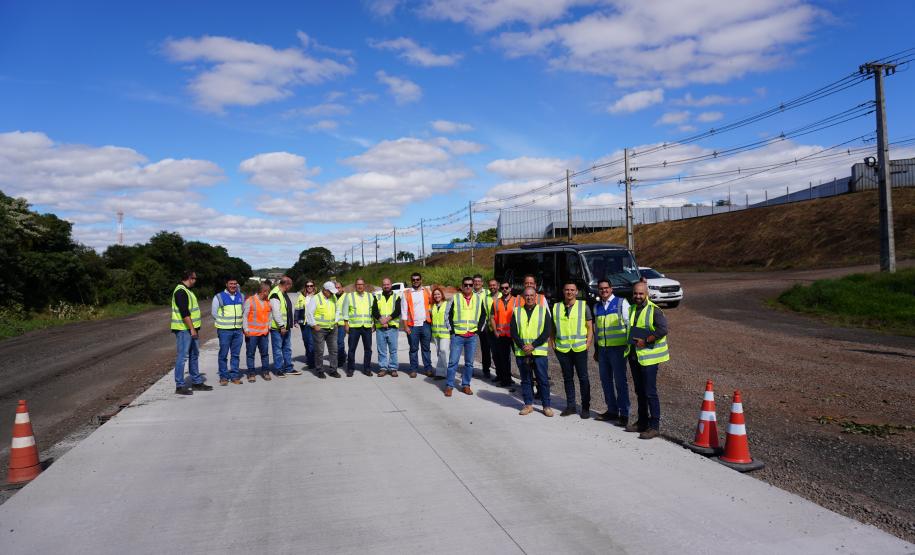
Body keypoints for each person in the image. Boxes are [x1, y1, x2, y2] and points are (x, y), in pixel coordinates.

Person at [624, 281, 670, 440]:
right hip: (635, 356)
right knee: (639, 391)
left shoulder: (654, 310)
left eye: (641, 294)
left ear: (647, 294)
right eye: (635, 293)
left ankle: (654, 426)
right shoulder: (631, 309)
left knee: (650, 392)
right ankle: (642, 422)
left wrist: (647, 340)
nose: (637, 296)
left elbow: (663, 329)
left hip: (649, 358)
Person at [551, 282, 593, 418]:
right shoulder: (556, 307)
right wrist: (552, 343)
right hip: (562, 349)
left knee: (583, 378)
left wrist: (588, 344)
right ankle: (571, 406)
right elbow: (553, 327)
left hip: (579, 348)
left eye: (572, 290)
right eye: (567, 289)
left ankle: (585, 407)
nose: (569, 292)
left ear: (576, 292)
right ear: (563, 291)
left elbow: (590, 328)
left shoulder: (583, 306)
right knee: (567, 378)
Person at [593, 279, 631, 426]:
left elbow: (628, 325)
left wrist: (629, 347)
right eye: (601, 289)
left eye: (606, 288)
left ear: (611, 288)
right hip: (603, 350)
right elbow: (597, 332)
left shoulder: (621, 303)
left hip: (618, 350)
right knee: (605, 381)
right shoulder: (597, 307)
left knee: (620, 382)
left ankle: (624, 414)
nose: (604, 291)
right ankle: (612, 411)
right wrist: (596, 349)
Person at [511, 287, 553, 416]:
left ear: (536, 297)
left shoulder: (543, 310)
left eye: (531, 295)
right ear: (523, 297)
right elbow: (513, 331)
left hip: (539, 352)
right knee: (526, 380)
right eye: (527, 295)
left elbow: (547, 331)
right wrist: (523, 346)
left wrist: (533, 345)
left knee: (543, 379)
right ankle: (528, 405)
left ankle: (546, 406)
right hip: (522, 352)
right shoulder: (517, 311)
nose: (529, 298)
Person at [171, 270, 212, 395]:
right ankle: (180, 385)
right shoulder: (181, 291)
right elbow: (185, 313)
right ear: (190, 278)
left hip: (191, 329)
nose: (196, 280)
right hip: (184, 330)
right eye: (195, 278)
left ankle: (196, 382)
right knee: (182, 357)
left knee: (194, 355)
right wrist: (192, 329)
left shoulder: (188, 291)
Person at [443, 276, 487, 397]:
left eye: (470, 285)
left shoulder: (478, 299)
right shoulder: (455, 298)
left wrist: (478, 330)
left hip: (471, 337)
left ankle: (466, 385)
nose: (468, 287)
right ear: (462, 286)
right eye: (466, 285)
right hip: (458, 336)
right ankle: (449, 386)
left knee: (469, 363)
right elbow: (447, 315)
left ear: (473, 286)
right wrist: (452, 331)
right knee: (453, 362)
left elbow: (484, 315)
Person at [212, 277, 245, 386]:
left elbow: (243, 311)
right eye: (231, 283)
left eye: (235, 284)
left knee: (235, 355)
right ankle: (224, 377)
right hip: (224, 331)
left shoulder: (241, 296)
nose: (233, 286)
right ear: (226, 284)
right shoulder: (219, 297)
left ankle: (235, 376)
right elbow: (214, 313)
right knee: (223, 354)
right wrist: (223, 323)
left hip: (238, 331)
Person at [306, 281, 342, 379]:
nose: (332, 293)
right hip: (320, 329)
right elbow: (309, 313)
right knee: (319, 351)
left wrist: (336, 320)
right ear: (325, 290)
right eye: (330, 291)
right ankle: (320, 370)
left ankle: (333, 370)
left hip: (332, 328)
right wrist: (314, 325)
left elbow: (338, 309)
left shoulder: (333, 297)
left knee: (334, 350)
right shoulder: (316, 298)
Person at [403, 272, 434, 378]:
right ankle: (413, 369)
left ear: (421, 280)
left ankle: (428, 369)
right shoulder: (406, 293)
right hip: (412, 325)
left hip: (425, 324)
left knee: (426, 348)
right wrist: (405, 326)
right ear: (411, 281)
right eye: (413, 280)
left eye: (417, 279)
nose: (415, 281)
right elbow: (403, 311)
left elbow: (432, 303)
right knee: (413, 349)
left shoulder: (426, 291)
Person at [342, 278, 374, 377]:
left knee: (368, 349)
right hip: (354, 327)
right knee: (351, 349)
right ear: (355, 286)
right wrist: (346, 325)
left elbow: (373, 311)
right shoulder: (349, 296)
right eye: (358, 284)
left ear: (364, 286)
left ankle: (367, 369)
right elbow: (345, 311)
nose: (360, 286)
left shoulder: (370, 296)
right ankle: (350, 369)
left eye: (361, 284)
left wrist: (374, 324)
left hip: (367, 327)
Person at [243, 282, 272, 382]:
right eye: (268, 291)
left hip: (264, 333)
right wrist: (246, 329)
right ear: (264, 291)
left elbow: (269, 316)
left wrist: (268, 327)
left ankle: (266, 372)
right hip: (252, 334)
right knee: (250, 354)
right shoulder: (250, 301)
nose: (269, 293)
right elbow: (245, 316)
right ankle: (251, 373)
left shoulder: (267, 302)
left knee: (265, 354)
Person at [269, 276, 298, 377]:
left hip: (286, 327)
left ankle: (288, 368)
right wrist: (281, 326)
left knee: (287, 348)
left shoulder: (283, 293)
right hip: (278, 328)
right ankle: (278, 369)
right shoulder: (275, 294)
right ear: (287, 284)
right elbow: (276, 312)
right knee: (278, 349)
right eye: (290, 285)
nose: (290, 288)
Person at [490, 280, 516, 387]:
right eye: (502, 288)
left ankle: (526, 382)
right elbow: (492, 317)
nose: (504, 290)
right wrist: (495, 331)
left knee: (521, 360)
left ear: (510, 289)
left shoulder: (517, 301)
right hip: (501, 335)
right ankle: (506, 380)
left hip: (515, 335)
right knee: (504, 359)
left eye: (506, 288)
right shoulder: (496, 302)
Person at [373, 278, 401, 376]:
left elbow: (398, 310)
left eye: (388, 284)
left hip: (392, 327)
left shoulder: (397, 296)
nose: (386, 286)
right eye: (384, 284)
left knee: (393, 350)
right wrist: (381, 320)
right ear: (382, 286)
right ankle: (383, 368)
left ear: (391, 285)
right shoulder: (377, 296)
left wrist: (387, 320)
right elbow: (374, 310)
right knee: (381, 350)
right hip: (380, 327)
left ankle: (393, 368)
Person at [472, 274, 493, 379]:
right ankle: (469, 369)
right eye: (475, 281)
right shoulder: (468, 293)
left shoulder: (488, 293)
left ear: (482, 283)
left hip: (485, 326)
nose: (477, 283)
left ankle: (486, 370)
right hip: (472, 325)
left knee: (486, 349)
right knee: (470, 348)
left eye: (479, 281)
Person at [294, 281, 317, 370]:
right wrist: (295, 320)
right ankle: (309, 357)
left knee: (311, 342)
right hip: (303, 322)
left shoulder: (317, 296)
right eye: (307, 286)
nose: (309, 287)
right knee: (306, 341)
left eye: (311, 285)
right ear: (305, 287)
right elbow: (297, 308)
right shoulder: (301, 296)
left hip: (313, 322)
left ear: (314, 287)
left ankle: (312, 362)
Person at [429, 287, 450, 380]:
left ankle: (441, 373)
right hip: (436, 333)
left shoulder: (447, 304)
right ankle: (445, 371)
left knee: (444, 351)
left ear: (442, 295)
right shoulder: (432, 306)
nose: (437, 296)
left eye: (438, 294)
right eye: (435, 294)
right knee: (439, 353)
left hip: (445, 333)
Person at [335, 281, 347, 368]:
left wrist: (348, 323)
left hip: (342, 323)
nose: (337, 289)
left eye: (339, 287)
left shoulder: (347, 297)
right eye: (336, 287)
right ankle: (341, 355)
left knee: (340, 342)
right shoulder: (332, 297)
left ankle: (341, 359)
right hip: (333, 324)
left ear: (342, 288)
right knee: (334, 342)